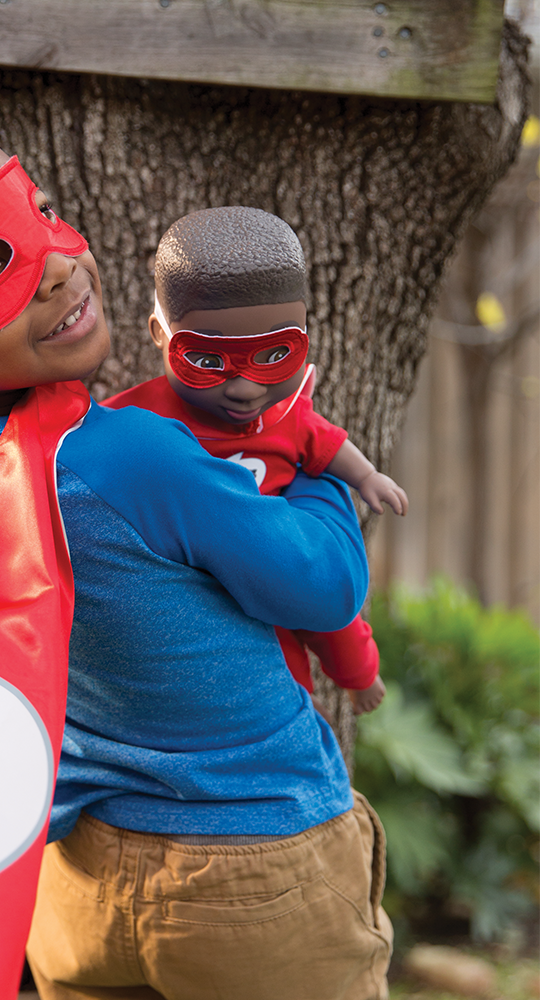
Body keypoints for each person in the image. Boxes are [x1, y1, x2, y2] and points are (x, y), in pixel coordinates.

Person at [0, 120, 390, 1000]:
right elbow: (324, 587)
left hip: (74, 879)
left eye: (39, 211)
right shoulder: (129, 457)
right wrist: (317, 472)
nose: (55, 265)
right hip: (253, 864)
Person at [107, 207, 407, 715]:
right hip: (180, 604)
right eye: (207, 360)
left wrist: (368, 478)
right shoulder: (135, 420)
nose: (246, 389)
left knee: (321, 620)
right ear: (159, 333)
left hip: (272, 591)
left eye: (273, 356)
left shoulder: (287, 416)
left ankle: (349, 680)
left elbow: (327, 446)